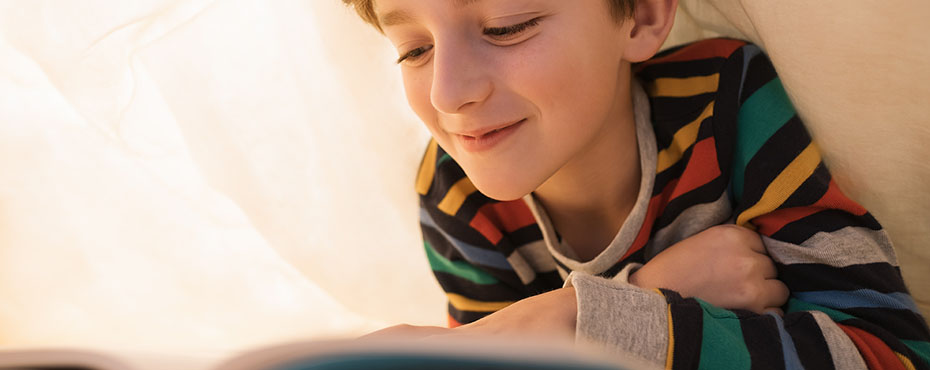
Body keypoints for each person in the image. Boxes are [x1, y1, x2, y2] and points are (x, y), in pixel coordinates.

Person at [342, 0, 930, 368]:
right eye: (414, 50)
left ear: (644, 14)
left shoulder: (727, 104)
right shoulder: (455, 193)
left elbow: (889, 356)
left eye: (505, 27)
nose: (448, 93)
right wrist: (643, 292)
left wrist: (565, 323)